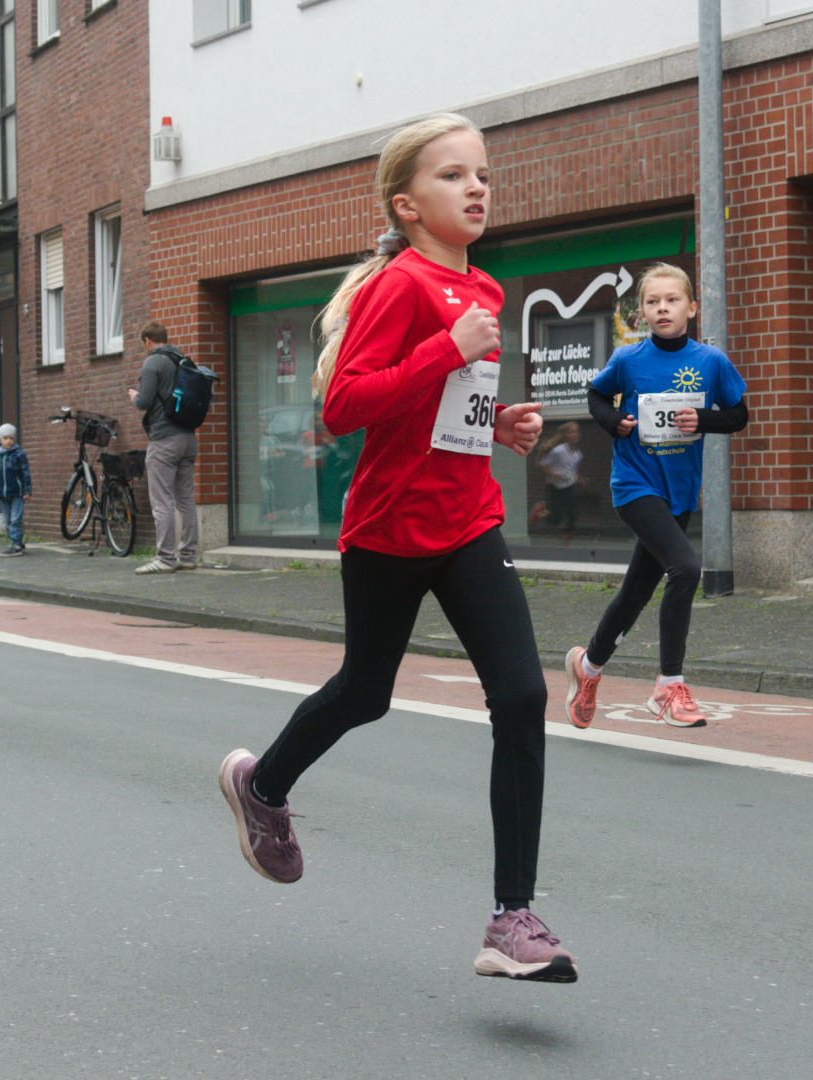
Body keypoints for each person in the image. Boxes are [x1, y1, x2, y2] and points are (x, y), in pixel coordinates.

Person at [214, 114, 574, 983]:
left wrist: (499, 424)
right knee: (365, 692)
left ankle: (512, 919)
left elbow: (444, 410)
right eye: (453, 176)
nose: (476, 187)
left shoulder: (483, 289)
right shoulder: (402, 287)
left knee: (523, 695)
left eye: (482, 173)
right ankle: (262, 786)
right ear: (407, 205)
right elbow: (344, 405)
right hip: (388, 528)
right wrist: (447, 349)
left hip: (469, 520)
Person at [564, 262, 749, 730]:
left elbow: (738, 415)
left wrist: (702, 419)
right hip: (635, 485)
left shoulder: (711, 362)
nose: (662, 308)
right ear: (642, 312)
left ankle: (588, 666)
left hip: (679, 491)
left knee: (637, 591)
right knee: (685, 568)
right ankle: (669, 686)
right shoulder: (629, 360)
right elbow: (596, 396)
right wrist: (614, 422)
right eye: (652, 302)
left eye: (672, 300)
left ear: (692, 307)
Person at [127, 322, 198, 574]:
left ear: (147, 340)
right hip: (188, 438)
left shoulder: (153, 362)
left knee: (162, 501)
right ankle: (188, 556)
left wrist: (134, 397)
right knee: (186, 500)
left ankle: (166, 558)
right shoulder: (182, 359)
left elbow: (144, 401)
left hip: (164, 439)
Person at [0, 422, 30, 557]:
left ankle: (16, 545)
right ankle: (18, 542)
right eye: (5, 438)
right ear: (0, 440)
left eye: (11, 438)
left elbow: (25, 473)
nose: (8, 441)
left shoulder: (19, 454)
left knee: (15, 519)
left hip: (17, 492)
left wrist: (27, 490)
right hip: (3, 493)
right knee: (6, 521)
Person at [536, 421, 583, 538]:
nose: (575, 435)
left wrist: (578, 478)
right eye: (571, 432)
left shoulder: (578, 455)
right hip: (554, 486)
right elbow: (542, 464)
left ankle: (569, 535)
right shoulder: (558, 451)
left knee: (572, 511)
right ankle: (539, 510)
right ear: (565, 435)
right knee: (554, 519)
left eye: (576, 432)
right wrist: (553, 474)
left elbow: (572, 470)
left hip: (568, 485)